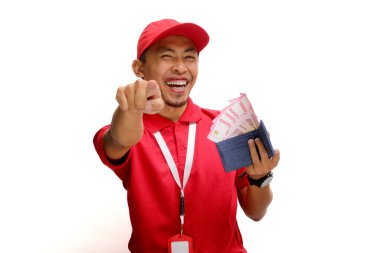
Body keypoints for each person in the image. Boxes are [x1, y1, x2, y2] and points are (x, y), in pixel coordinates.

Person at [93, 18, 280, 253]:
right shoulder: (129, 126)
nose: (180, 67)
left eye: (189, 57)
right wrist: (129, 109)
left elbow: (256, 212)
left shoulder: (225, 128)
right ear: (139, 68)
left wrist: (259, 178)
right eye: (167, 56)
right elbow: (119, 140)